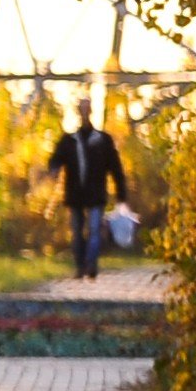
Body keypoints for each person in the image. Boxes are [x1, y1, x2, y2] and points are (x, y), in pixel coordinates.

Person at [45, 97, 130, 280]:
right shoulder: (69, 140)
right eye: (81, 109)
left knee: (94, 230)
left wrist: (121, 194)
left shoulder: (102, 140)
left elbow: (115, 168)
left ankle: (91, 264)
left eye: (87, 108)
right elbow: (55, 159)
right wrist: (53, 169)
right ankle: (80, 265)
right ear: (78, 112)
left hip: (95, 195)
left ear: (91, 111)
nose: (84, 112)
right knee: (76, 232)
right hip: (75, 194)